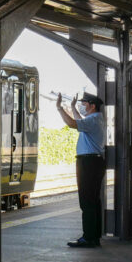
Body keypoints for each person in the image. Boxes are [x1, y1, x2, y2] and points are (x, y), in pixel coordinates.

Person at [57, 91, 105, 248]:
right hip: (94, 162)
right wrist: (72, 107)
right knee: (93, 200)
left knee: (87, 201)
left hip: (88, 163)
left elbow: (72, 123)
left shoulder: (93, 119)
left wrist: (59, 108)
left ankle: (89, 237)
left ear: (92, 106)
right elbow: (79, 120)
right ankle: (94, 236)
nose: (82, 107)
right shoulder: (95, 119)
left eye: (84, 105)